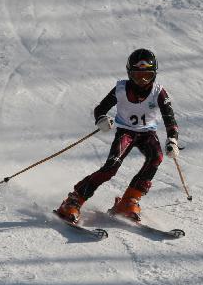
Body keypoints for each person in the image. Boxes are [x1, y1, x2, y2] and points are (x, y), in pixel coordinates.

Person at [56, 48, 180, 223]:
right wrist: (101, 119)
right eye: (137, 76)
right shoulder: (121, 89)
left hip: (147, 133)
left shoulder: (158, 92)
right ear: (130, 74)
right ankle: (74, 199)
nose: (142, 81)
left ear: (154, 74)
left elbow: (170, 118)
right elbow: (101, 108)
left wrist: (172, 139)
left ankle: (129, 200)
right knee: (111, 168)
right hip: (126, 132)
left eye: (147, 76)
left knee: (156, 158)